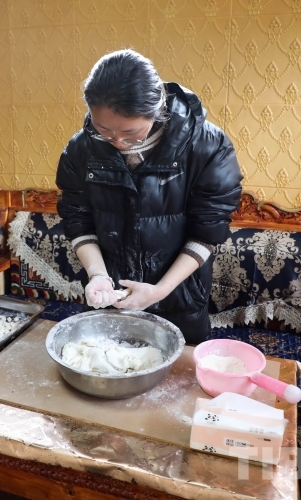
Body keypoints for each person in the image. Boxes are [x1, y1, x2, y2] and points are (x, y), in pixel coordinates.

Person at [55, 49, 243, 345]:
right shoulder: (81, 148)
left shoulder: (207, 146)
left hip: (179, 294)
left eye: (130, 133)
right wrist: (98, 275)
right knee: (104, 361)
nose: (117, 142)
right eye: (103, 130)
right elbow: (78, 219)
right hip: (109, 294)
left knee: (177, 369)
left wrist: (160, 290)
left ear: (156, 111)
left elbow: (208, 231)